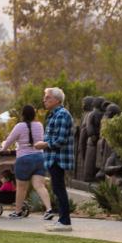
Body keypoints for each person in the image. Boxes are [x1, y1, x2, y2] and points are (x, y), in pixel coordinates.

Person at [0, 105, 53, 219]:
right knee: (40, 185)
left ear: (23, 115)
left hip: (24, 159)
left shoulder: (19, 126)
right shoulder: (39, 125)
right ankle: (49, 209)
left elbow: (9, 141)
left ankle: (18, 212)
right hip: (39, 157)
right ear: (34, 114)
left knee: (21, 187)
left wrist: (2, 149)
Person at [34, 87, 74, 232]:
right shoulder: (54, 115)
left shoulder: (62, 115)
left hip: (58, 158)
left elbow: (60, 140)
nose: (44, 100)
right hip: (52, 158)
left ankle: (65, 222)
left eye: (48, 97)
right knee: (57, 189)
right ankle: (62, 220)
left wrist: (43, 145)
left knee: (59, 189)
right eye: (45, 97)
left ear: (57, 100)